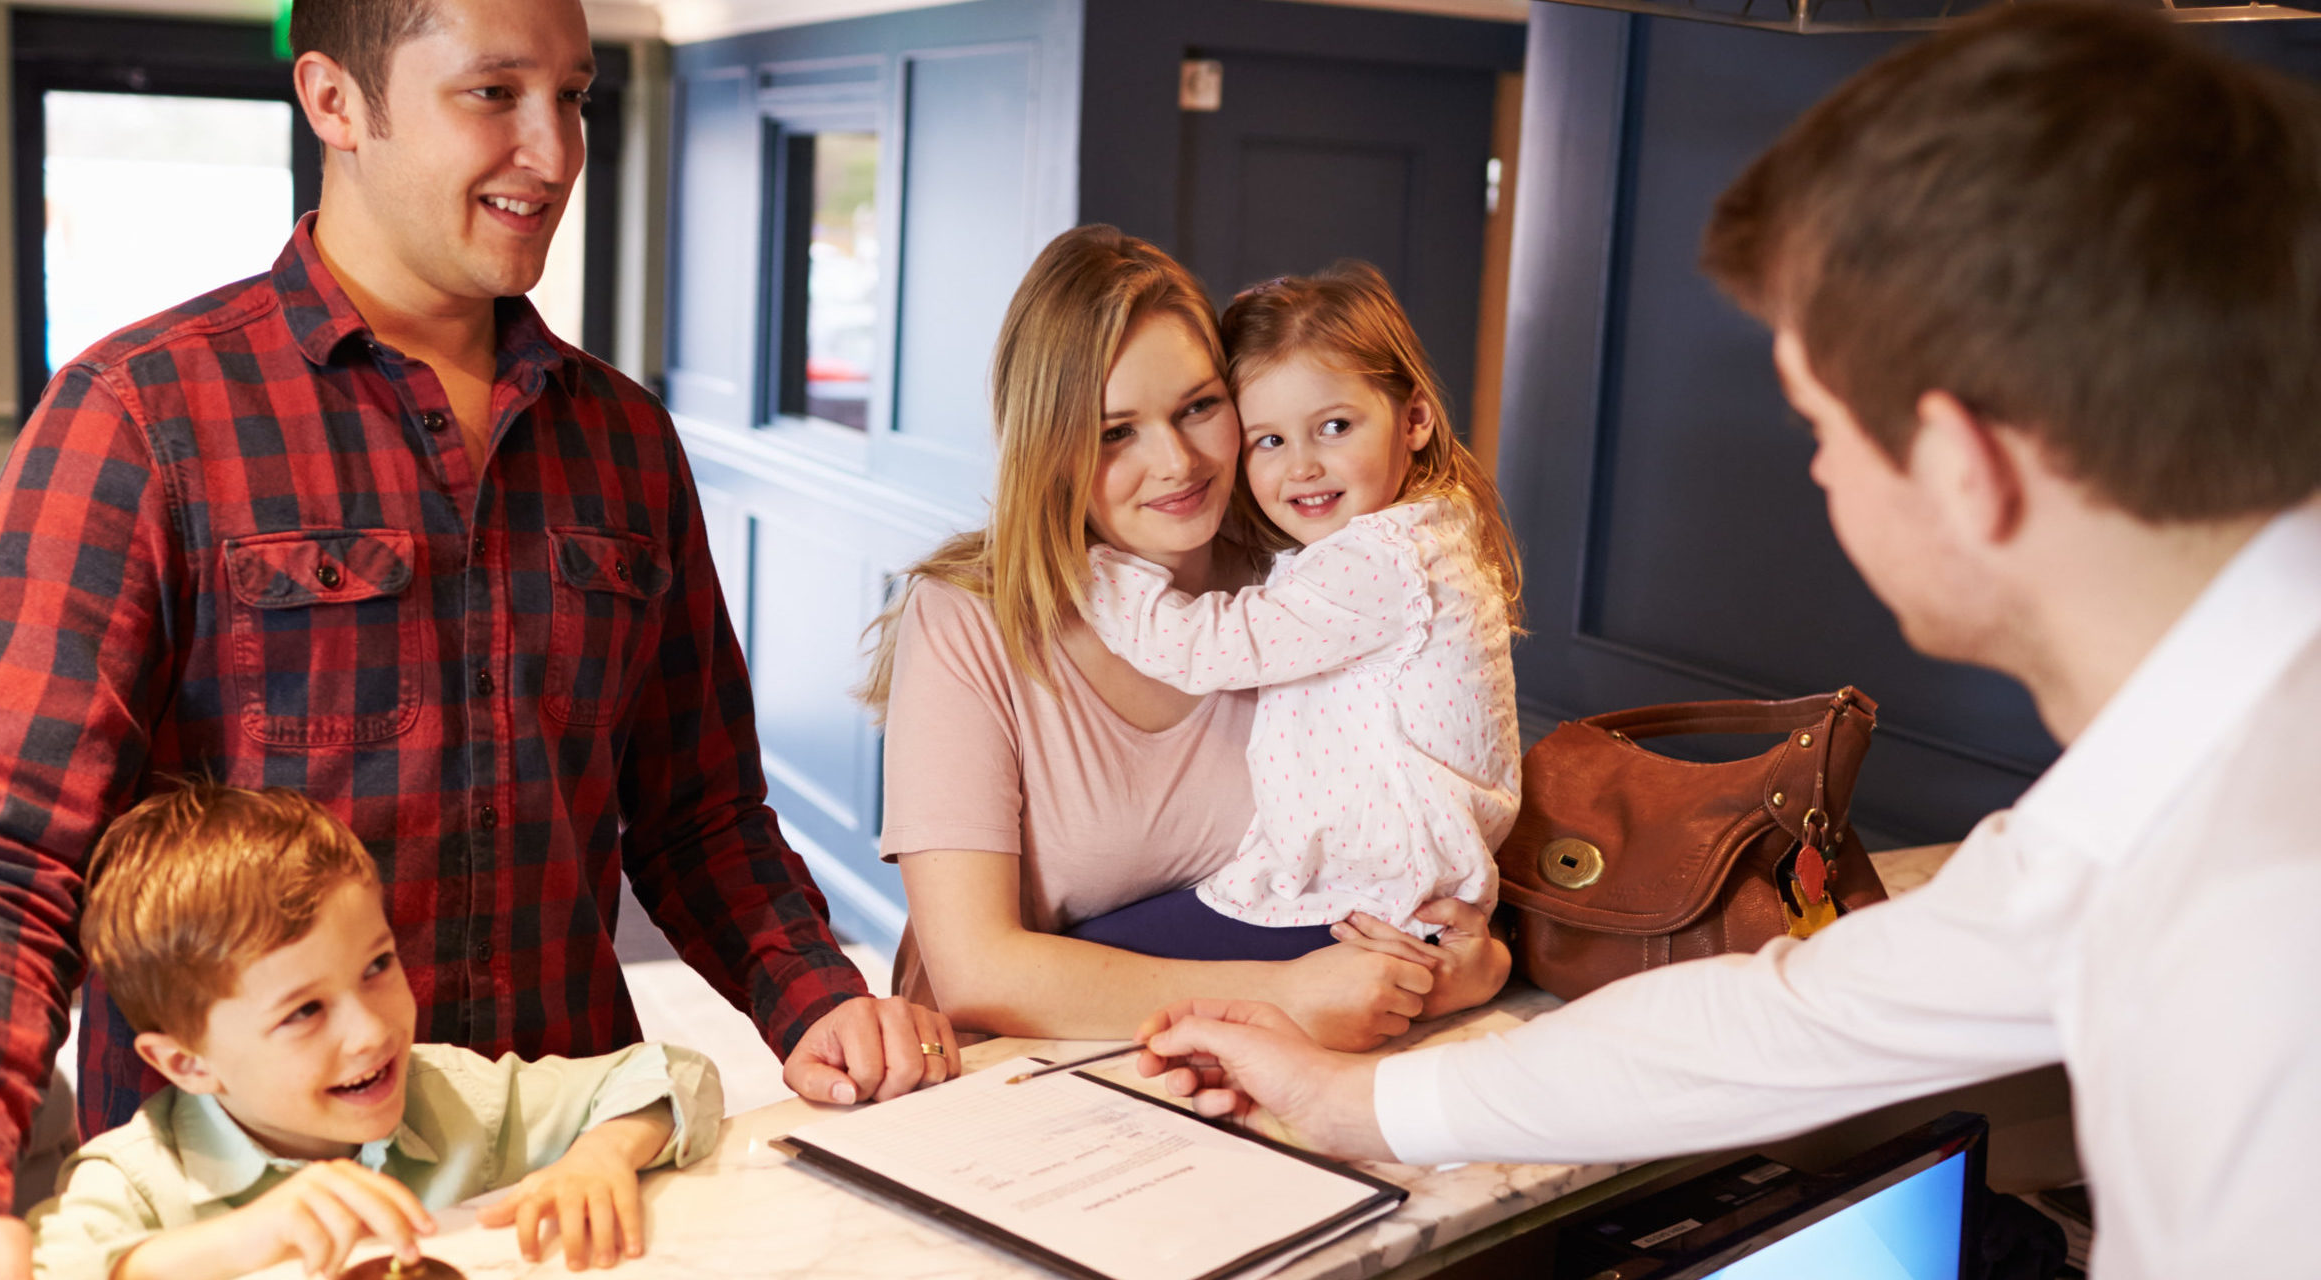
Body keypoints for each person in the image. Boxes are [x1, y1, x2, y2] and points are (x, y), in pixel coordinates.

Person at [1132, 8, 2321, 1277]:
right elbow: (1798, 1021)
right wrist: (1355, 1104)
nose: (1817, 473)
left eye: (1820, 424)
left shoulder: (2262, 912)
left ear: (1964, 468)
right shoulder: (2159, 799)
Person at [0, 0, 955, 1274]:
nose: (550, 153)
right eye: (493, 94)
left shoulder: (625, 441)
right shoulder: (140, 416)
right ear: (334, 101)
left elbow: (700, 808)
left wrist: (814, 992)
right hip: (250, 1225)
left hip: (570, 1193)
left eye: (575, 97)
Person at [862, 228, 1502, 1053]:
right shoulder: (967, 620)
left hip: (1254, 1067)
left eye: (1200, 408)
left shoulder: (1300, 582)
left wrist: (1461, 963)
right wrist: (1281, 998)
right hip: (1022, 1074)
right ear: (1049, 450)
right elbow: (979, 975)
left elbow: (1397, 845)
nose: (1177, 462)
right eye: (1115, 432)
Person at [27, 784, 722, 1280]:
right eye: (304, 1011)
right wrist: (238, 1243)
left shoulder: (453, 1097)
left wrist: (601, 1154)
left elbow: (674, 1075)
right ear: (187, 1063)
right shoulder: (137, 1181)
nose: (371, 1030)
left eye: (377, 966)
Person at [1073, 264, 1521, 998]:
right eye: (1267, 441)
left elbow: (1205, 647)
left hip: (1355, 898)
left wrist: (1088, 567)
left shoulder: (1385, 561)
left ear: (1414, 418)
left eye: (1335, 426)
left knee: (1084, 962)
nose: (1303, 465)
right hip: (1388, 891)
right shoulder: (1427, 534)